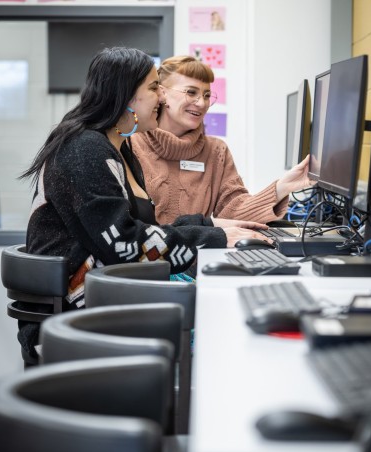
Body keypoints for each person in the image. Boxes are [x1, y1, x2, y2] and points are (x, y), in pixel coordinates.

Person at [20, 47, 268, 361]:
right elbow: (125, 246)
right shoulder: (84, 150)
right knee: (224, 326)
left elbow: (140, 232)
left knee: (224, 309)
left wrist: (211, 225)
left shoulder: (118, 150)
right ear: (125, 96)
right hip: (76, 314)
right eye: (153, 88)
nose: (162, 99)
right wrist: (213, 239)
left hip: (107, 292)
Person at [131, 55, 313, 225]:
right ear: (163, 94)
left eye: (207, 95)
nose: (201, 103)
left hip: (199, 257)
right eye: (191, 92)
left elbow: (233, 212)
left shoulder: (216, 151)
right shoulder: (130, 144)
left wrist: (283, 187)